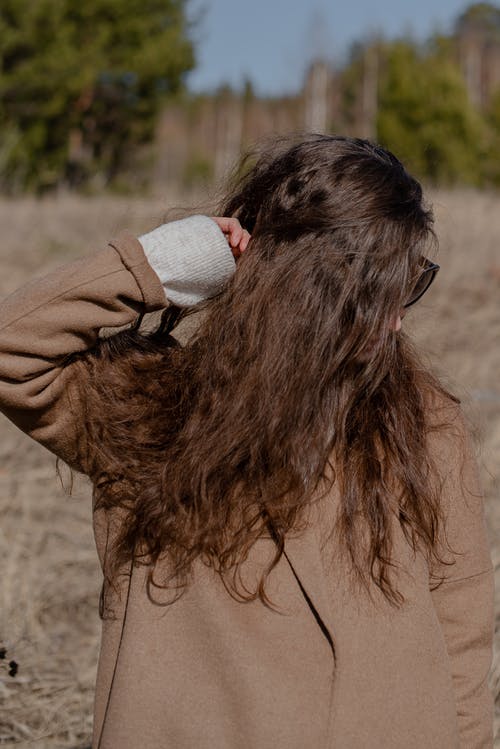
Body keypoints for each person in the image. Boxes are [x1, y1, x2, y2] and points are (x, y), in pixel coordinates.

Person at [0, 134, 494, 749]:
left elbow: (462, 622)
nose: (396, 319)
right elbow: (13, 350)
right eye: (374, 294)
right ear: (298, 284)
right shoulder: (151, 407)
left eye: (408, 285)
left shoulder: (420, 419)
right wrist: (159, 264)